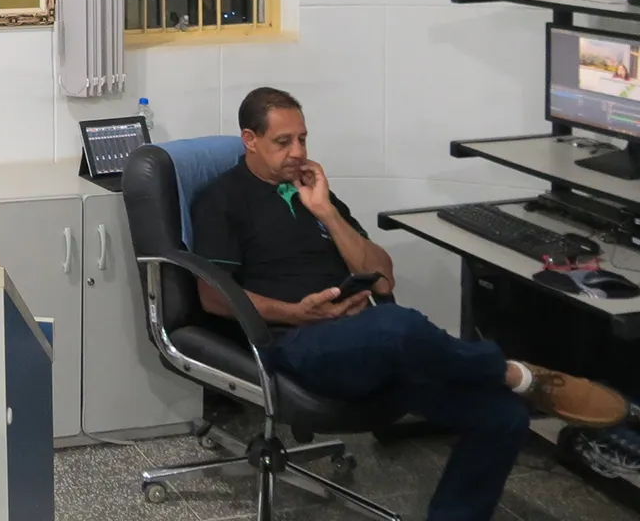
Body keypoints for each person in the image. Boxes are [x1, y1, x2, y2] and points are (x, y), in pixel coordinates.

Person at [191, 87, 628, 521]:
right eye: (283, 142)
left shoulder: (313, 193)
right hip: (295, 343)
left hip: (369, 341)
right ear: (250, 140)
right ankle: (514, 372)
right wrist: (297, 313)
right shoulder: (221, 200)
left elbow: (382, 276)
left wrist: (326, 212)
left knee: (503, 414)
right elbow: (213, 297)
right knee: (398, 325)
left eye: (303, 139)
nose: (298, 152)